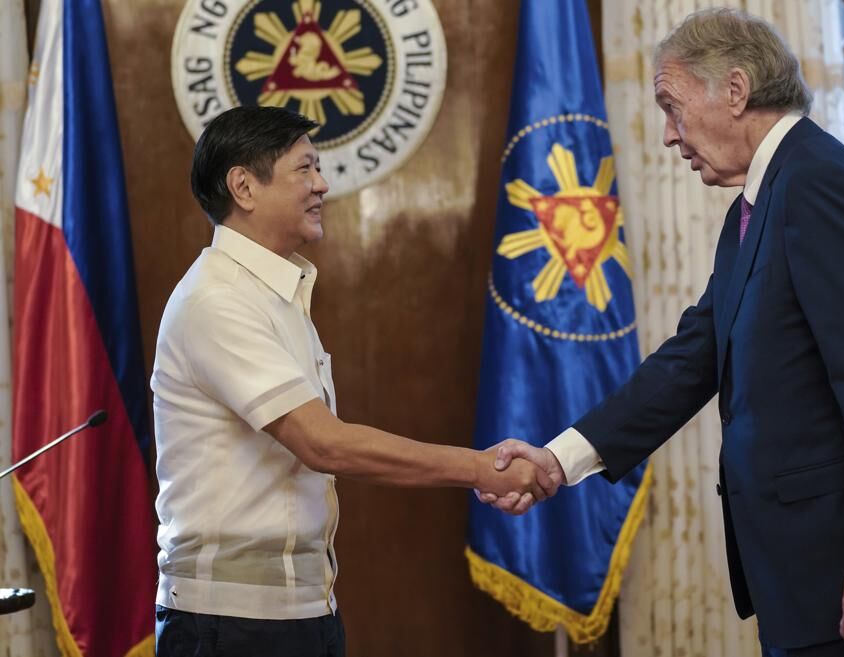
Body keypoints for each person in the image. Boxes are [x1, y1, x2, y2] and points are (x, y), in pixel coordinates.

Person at [481, 8, 844, 657]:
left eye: (672, 106)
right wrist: (561, 456)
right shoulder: (766, 197)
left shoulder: (818, 187)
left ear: (736, 91)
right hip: (809, 575)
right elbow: (691, 361)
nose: (667, 135)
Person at [151, 106, 554, 657]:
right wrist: (482, 468)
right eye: (305, 169)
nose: (322, 185)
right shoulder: (218, 300)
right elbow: (323, 443)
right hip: (232, 623)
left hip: (300, 608)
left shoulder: (274, 291)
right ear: (243, 186)